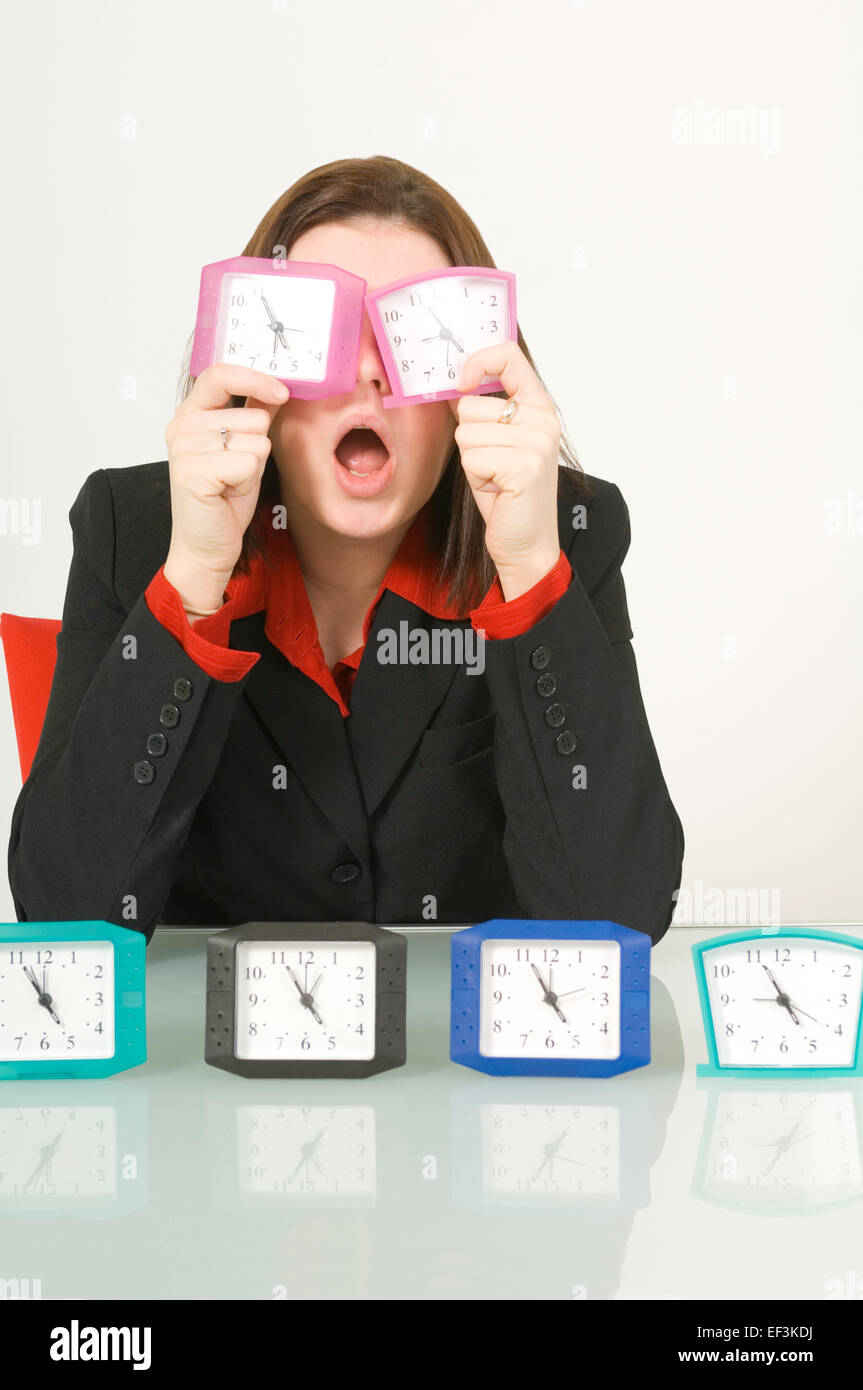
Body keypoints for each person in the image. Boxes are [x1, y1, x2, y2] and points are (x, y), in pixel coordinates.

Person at [8, 155, 684, 945]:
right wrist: (193, 581)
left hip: (465, 1061)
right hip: (202, 1055)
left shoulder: (563, 529)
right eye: (318, 333)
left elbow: (615, 927)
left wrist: (531, 573)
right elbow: (66, 924)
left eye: (411, 338)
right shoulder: (133, 530)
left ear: (480, 388)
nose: (367, 370)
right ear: (249, 374)